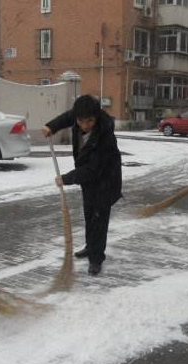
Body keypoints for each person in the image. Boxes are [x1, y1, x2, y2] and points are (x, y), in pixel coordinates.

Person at [42, 95, 122, 276]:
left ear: (97, 117)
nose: (84, 125)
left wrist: (67, 178)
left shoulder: (105, 136)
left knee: (99, 220)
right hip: (89, 181)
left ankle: (96, 259)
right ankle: (89, 246)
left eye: (89, 121)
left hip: (106, 180)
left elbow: (94, 169)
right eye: (80, 121)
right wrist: (51, 126)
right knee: (89, 214)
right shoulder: (79, 116)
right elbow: (67, 117)